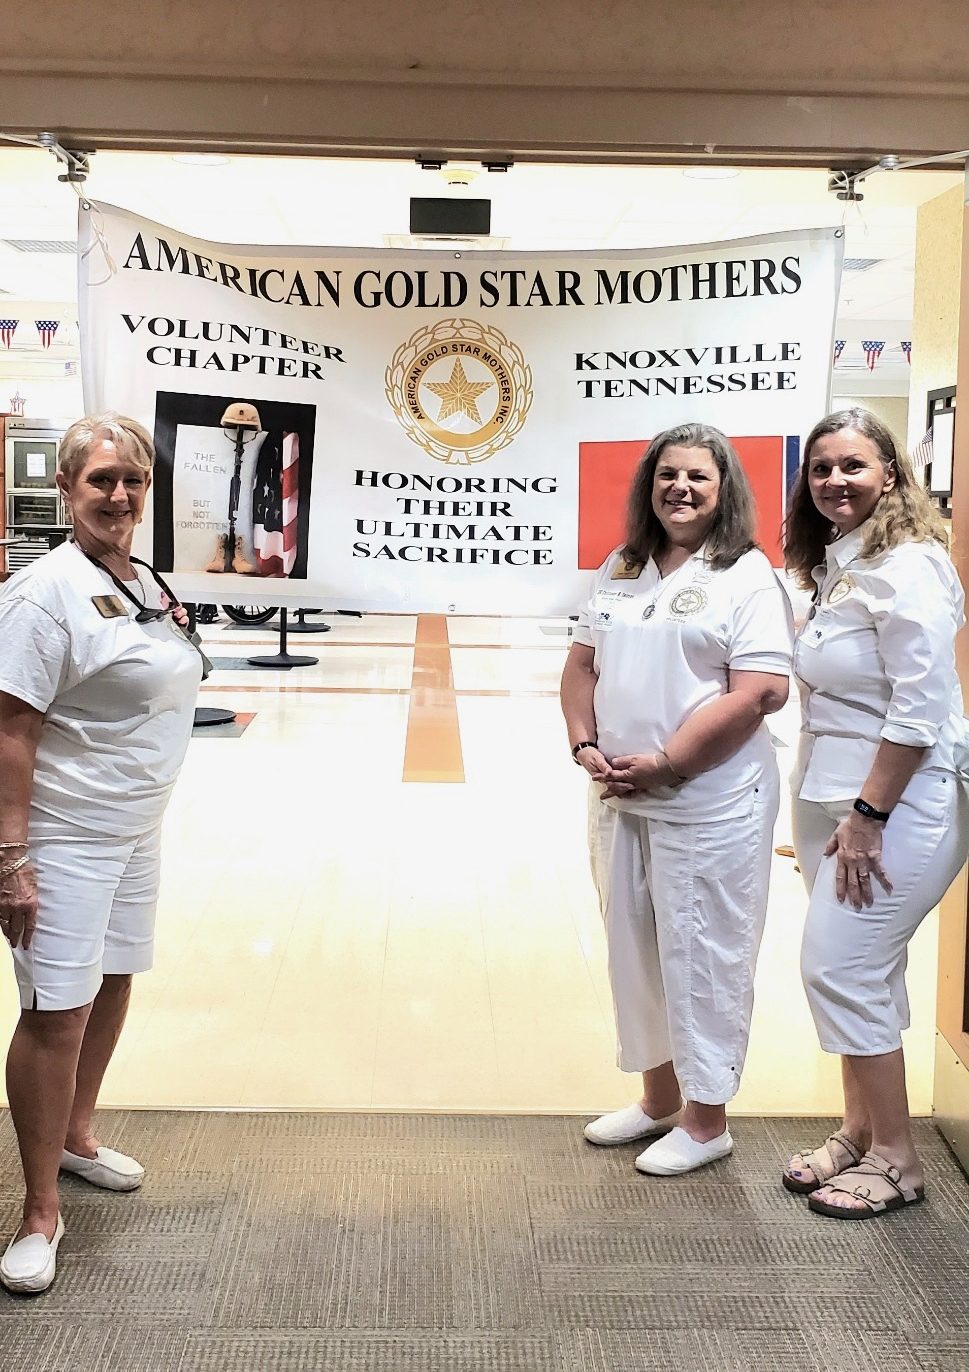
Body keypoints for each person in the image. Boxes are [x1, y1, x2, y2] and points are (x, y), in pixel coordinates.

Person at [0, 413, 203, 1292]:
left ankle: (76, 1138)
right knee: (56, 1010)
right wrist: (10, 856)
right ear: (66, 487)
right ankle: (38, 1210)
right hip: (64, 834)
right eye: (100, 481)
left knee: (114, 980)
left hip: (133, 828)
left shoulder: (137, 576)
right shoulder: (40, 594)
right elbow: (10, 730)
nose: (119, 496)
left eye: (133, 481)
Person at [561, 422, 794, 1175]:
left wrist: (668, 762)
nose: (680, 488)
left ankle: (706, 1121)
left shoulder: (745, 574)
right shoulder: (623, 564)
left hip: (707, 801)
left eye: (697, 476)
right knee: (634, 950)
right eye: (667, 474)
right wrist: (583, 743)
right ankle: (658, 1098)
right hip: (620, 797)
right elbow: (582, 665)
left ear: (724, 489)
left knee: (703, 954)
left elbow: (760, 691)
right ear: (648, 485)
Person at [782, 407, 968, 1220]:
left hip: (899, 802)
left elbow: (918, 708)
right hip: (833, 794)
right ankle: (858, 1132)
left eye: (852, 465)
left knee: (840, 965)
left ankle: (898, 1158)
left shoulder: (911, 564)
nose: (834, 480)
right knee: (866, 968)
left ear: (889, 473)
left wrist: (868, 813)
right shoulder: (840, 561)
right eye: (820, 467)